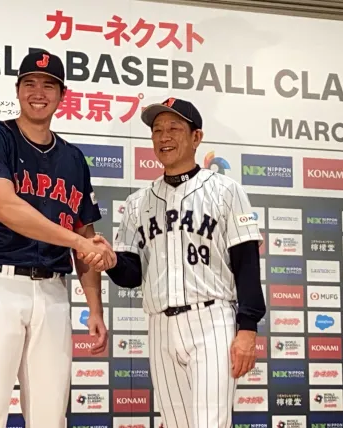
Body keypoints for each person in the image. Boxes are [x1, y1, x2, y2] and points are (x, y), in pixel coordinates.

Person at [80, 98, 267, 428]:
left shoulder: (227, 190)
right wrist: (109, 262)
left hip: (212, 320)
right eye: (157, 130)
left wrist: (248, 328)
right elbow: (132, 274)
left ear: (196, 138)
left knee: (209, 423)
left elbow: (247, 262)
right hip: (161, 327)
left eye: (174, 128)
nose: (164, 137)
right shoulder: (138, 202)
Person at [0, 50, 113, 428]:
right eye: (30, 83)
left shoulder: (74, 159)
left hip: (54, 292)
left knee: (49, 414)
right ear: (17, 90)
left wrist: (94, 306)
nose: (38, 92)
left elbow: (84, 232)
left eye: (49, 85)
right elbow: (6, 207)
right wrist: (81, 245)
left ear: (63, 96)